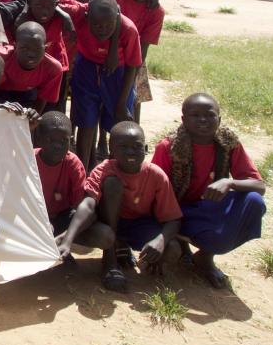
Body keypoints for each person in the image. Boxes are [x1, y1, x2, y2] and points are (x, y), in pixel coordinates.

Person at [151, 93, 266, 289]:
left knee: (254, 201)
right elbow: (154, 188)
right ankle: (181, 241)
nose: (203, 120)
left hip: (210, 208)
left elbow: (259, 186)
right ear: (183, 120)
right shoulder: (169, 147)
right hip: (178, 213)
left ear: (219, 120)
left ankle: (205, 256)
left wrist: (229, 183)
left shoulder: (228, 144)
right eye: (195, 115)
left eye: (209, 115)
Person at [58, 122, 183, 292]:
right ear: (112, 151)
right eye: (123, 147)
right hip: (109, 223)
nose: (130, 152)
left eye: (136, 146)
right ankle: (110, 260)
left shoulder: (156, 175)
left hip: (139, 224)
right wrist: (68, 239)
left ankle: (124, 245)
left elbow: (173, 219)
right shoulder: (103, 170)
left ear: (145, 148)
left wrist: (160, 241)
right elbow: (88, 204)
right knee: (112, 183)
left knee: (172, 249)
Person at [69, 0, 142, 171]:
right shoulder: (79, 16)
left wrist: (122, 102)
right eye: (96, 25)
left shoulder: (128, 29)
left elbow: (133, 65)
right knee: (86, 122)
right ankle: (83, 172)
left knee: (118, 122)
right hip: (86, 69)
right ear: (87, 18)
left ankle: (115, 171)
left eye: (108, 25)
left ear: (116, 18)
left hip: (118, 74)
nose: (102, 29)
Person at [106, 0, 164, 122]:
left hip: (136, 59)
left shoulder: (156, 11)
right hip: (109, 55)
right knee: (105, 97)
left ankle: (134, 132)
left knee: (134, 98)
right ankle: (102, 140)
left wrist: (131, 76)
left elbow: (143, 49)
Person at [32, 111, 89, 239]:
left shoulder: (73, 164)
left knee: (98, 230)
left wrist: (66, 236)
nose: (57, 146)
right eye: (50, 140)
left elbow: (79, 205)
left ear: (71, 140)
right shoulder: (29, 160)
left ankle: (62, 245)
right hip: (34, 217)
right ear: (39, 139)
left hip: (61, 218)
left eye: (64, 140)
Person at [0, 22, 63, 114]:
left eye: (37, 49)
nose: (31, 54)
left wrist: (33, 117)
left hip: (27, 94)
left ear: (45, 49)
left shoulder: (53, 68)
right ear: (15, 47)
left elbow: (43, 98)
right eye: (25, 48)